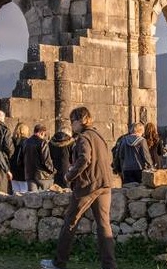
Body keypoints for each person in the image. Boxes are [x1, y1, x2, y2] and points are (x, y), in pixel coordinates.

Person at [41, 106, 116, 269]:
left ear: (81, 120)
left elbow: (84, 159)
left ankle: (58, 263)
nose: (71, 124)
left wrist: (69, 175)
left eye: (72, 121)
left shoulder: (84, 137)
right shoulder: (98, 135)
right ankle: (109, 266)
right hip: (104, 183)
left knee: (70, 222)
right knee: (104, 225)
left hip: (88, 185)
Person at [23, 123, 56, 192]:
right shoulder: (42, 142)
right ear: (42, 133)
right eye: (45, 134)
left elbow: (21, 158)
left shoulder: (26, 142)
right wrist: (52, 171)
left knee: (32, 196)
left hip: (29, 174)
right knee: (46, 196)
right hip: (42, 176)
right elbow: (46, 160)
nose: (44, 136)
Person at [49, 124, 76, 189]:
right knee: (68, 191)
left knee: (56, 190)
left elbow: (49, 157)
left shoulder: (51, 142)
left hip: (55, 170)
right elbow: (74, 158)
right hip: (68, 170)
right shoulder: (71, 143)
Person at [10, 122, 31, 194]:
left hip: (13, 171)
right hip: (23, 172)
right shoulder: (27, 142)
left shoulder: (11, 141)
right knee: (24, 193)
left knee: (15, 193)